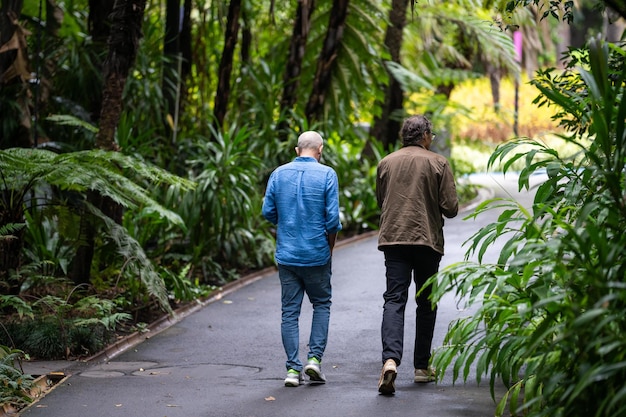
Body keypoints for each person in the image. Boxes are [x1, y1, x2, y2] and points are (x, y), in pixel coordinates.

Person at [375, 115, 458, 394]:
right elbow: (451, 207)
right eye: (431, 136)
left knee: (394, 300)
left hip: (394, 238)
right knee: (426, 302)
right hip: (427, 241)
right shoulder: (438, 163)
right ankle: (422, 368)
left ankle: (390, 360)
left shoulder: (386, 162)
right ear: (424, 136)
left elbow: (381, 200)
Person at [262, 130, 342, 387]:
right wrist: (328, 249)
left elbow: (268, 212)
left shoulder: (278, 174)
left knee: (289, 312)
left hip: (287, 255)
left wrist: (286, 224)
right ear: (320, 150)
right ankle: (314, 360)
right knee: (321, 304)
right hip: (317, 254)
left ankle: (292, 370)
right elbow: (332, 221)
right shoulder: (327, 174)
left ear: (297, 150)